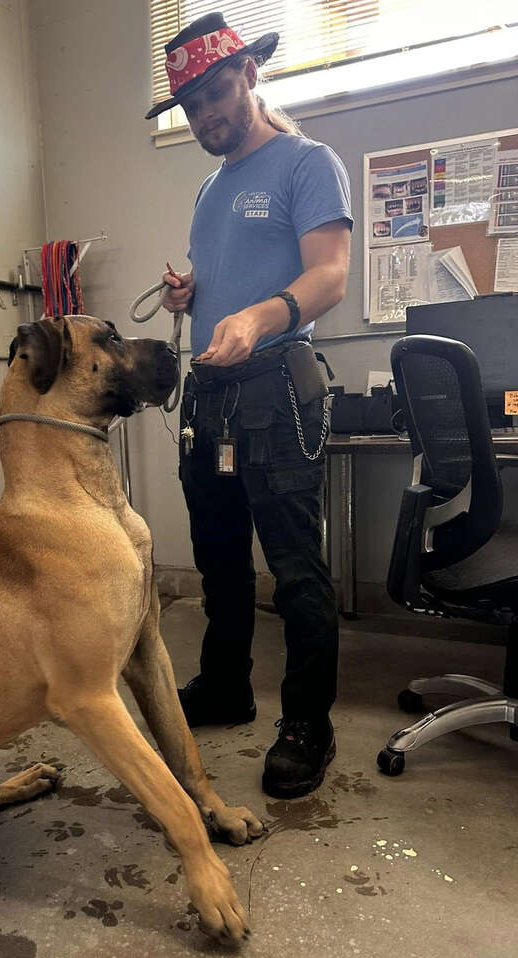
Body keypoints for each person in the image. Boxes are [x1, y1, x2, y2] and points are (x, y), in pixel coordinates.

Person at [146, 12, 353, 798]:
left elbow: (329, 277)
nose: (207, 118)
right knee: (221, 562)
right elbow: (230, 272)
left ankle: (308, 723)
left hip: (277, 391)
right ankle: (227, 685)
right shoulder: (209, 187)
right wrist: (193, 293)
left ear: (251, 77)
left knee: (296, 570)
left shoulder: (308, 162)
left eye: (217, 96)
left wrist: (260, 315)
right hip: (213, 398)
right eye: (192, 107)